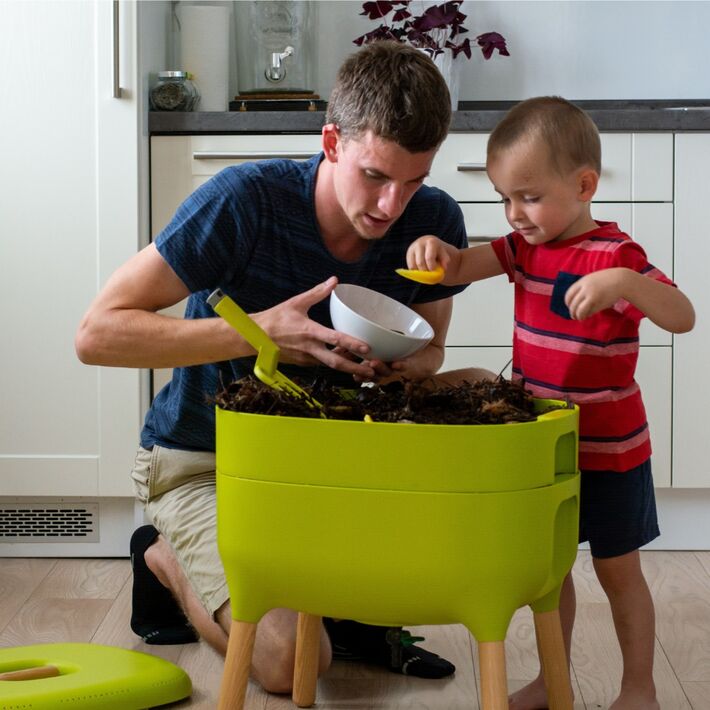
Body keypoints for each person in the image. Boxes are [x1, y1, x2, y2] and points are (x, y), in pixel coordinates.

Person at [75, 41, 491, 693]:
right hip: (205, 463)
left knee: (483, 386)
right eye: (376, 177)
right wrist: (259, 330)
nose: (392, 207)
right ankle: (161, 558)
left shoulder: (434, 220)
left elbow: (432, 350)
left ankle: (333, 592)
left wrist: (399, 371)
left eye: (413, 181)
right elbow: (97, 333)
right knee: (288, 663)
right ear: (331, 142)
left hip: (331, 466)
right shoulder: (246, 202)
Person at [405, 96, 695, 710]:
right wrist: (435, 250)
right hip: (544, 448)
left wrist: (627, 285)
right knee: (550, 577)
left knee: (620, 576)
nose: (514, 214)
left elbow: (684, 316)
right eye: (504, 198)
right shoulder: (522, 248)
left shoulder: (617, 258)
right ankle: (551, 679)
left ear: (584, 185)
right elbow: (461, 266)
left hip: (612, 455)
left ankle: (638, 689)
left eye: (528, 197)